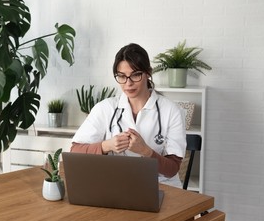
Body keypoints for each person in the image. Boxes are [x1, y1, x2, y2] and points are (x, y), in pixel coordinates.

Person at [71, 43, 186, 187]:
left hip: (160, 186)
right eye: (122, 76)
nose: (128, 83)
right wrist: (107, 146)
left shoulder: (171, 111)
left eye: (135, 75)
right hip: (117, 185)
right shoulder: (105, 108)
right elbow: (75, 151)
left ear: (148, 73)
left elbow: (172, 169)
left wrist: (146, 151)